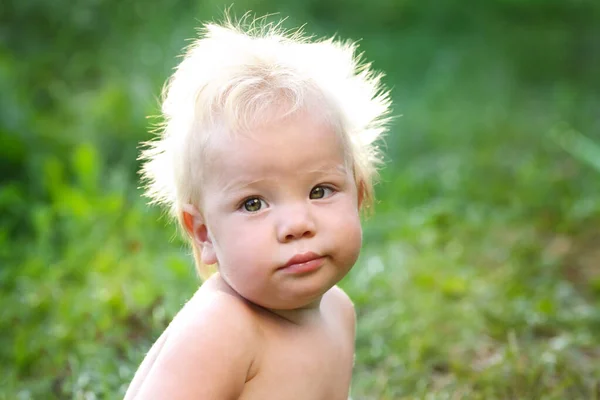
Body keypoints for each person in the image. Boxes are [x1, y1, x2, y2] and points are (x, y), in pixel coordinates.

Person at [124, 13, 391, 400]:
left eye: (320, 190)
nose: (297, 224)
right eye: (253, 203)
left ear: (360, 194)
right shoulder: (223, 330)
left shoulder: (338, 311)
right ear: (204, 233)